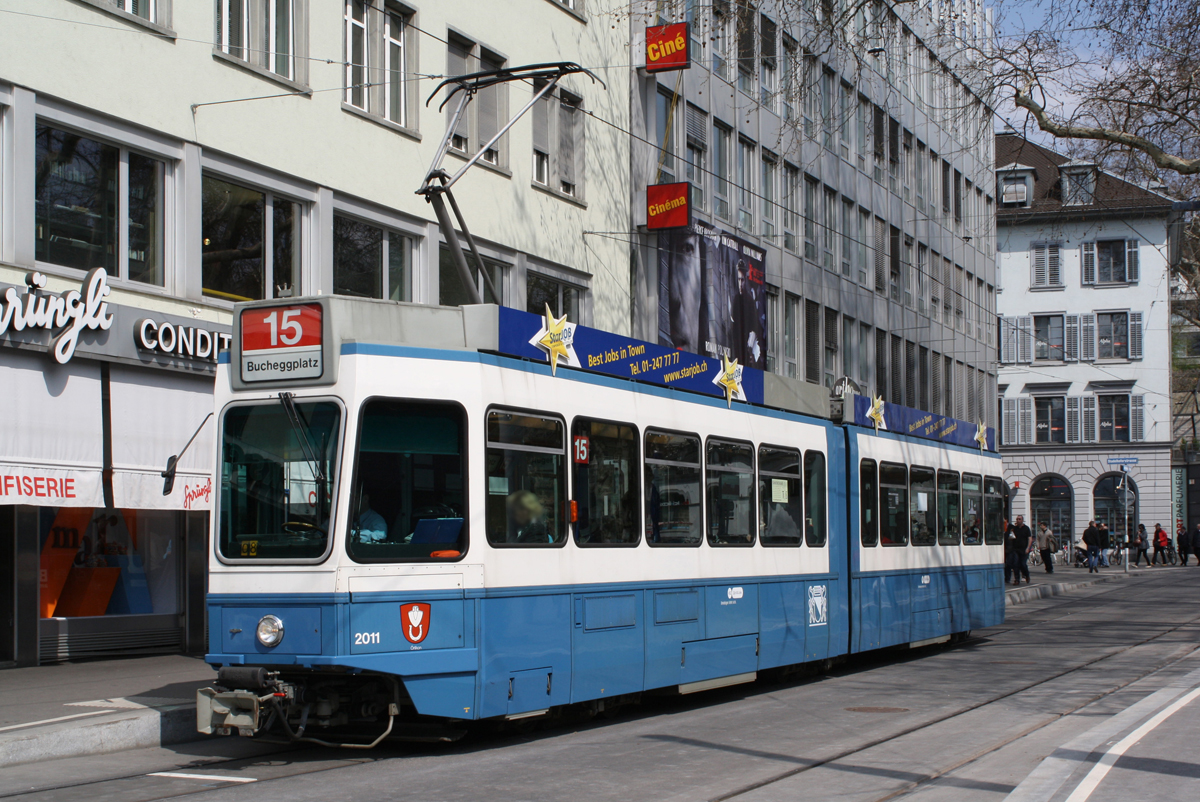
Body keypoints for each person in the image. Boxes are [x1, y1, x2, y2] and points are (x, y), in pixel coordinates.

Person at [1011, 515, 1033, 585]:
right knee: (1015, 564)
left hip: (1024, 549)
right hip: (1016, 549)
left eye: (1019, 519)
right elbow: (1011, 537)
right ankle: (1017, 579)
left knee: (1023, 564)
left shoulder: (1026, 528)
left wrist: (1028, 548)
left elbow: (1030, 539)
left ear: (1022, 520)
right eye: (1017, 519)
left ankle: (1026, 575)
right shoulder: (1014, 529)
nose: (1018, 520)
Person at [1003, 517, 1016, 584]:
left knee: (1008, 564)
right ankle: (1005, 577)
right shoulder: (999, 526)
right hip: (1002, 548)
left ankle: (1007, 578)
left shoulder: (1011, 527)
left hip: (1010, 548)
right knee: (1004, 564)